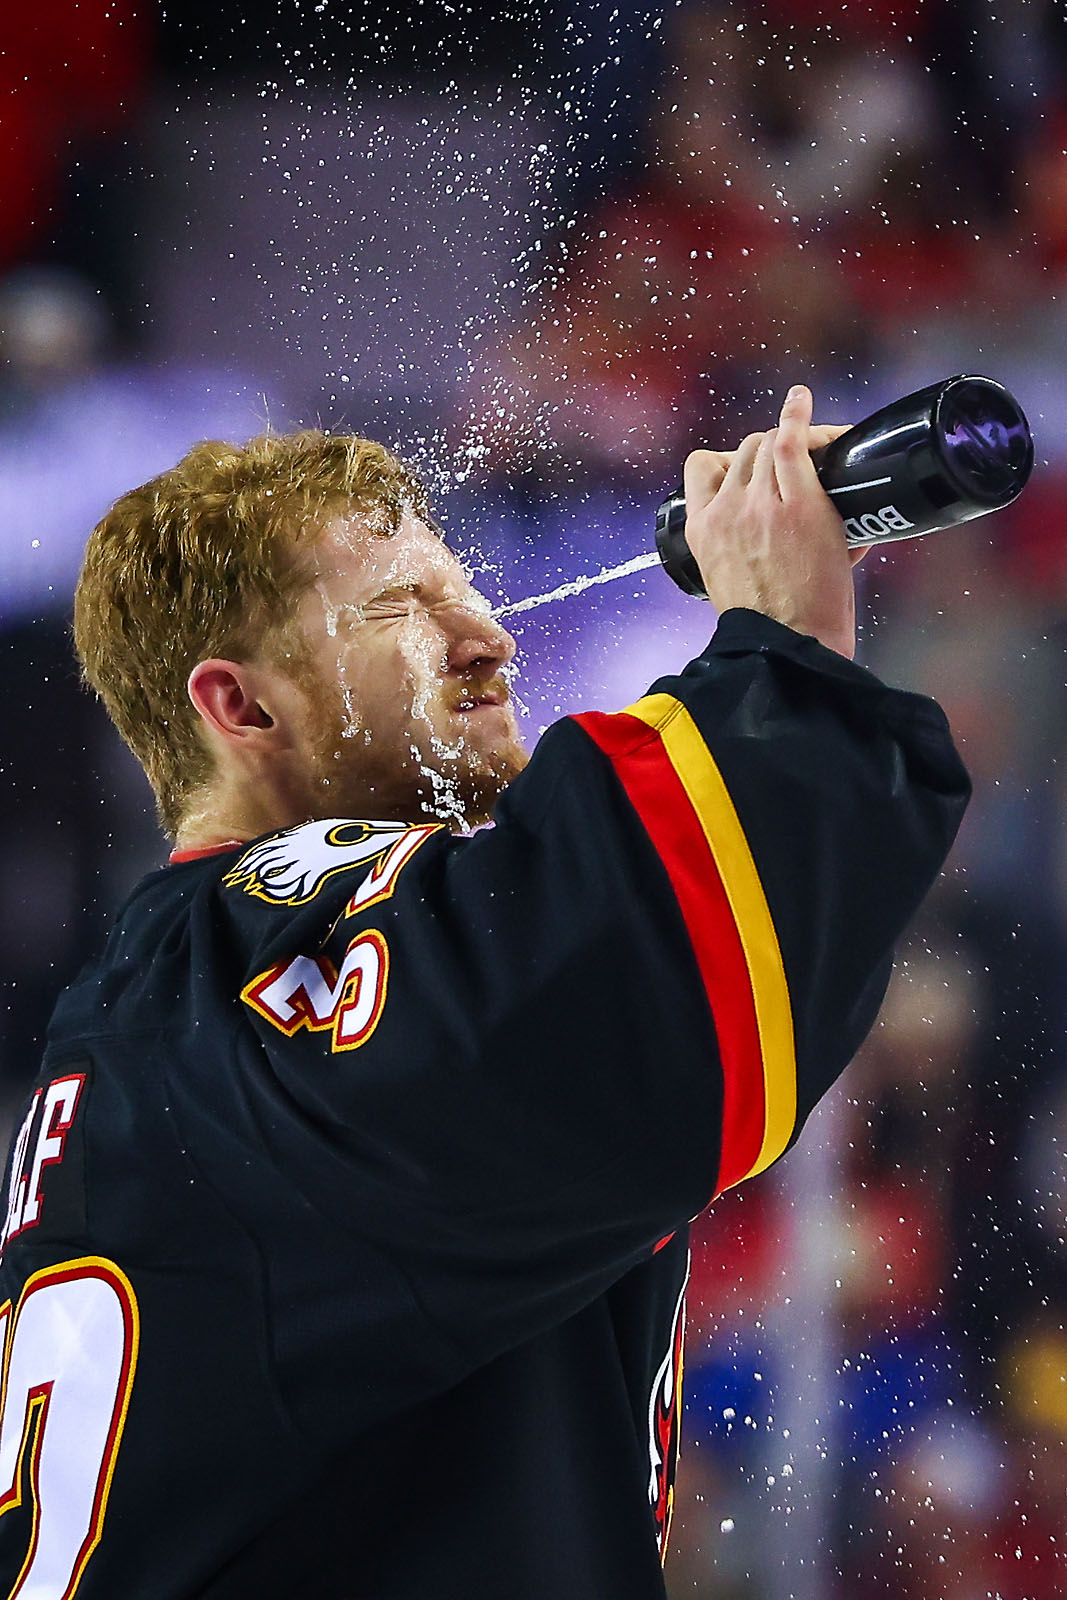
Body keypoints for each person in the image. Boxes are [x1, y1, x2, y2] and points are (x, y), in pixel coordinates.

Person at [0, 385, 968, 1599]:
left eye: (471, 593)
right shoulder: (267, 951)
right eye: (405, 608)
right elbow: (628, 973)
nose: (489, 638)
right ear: (240, 706)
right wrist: (781, 645)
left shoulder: (162, 1007)